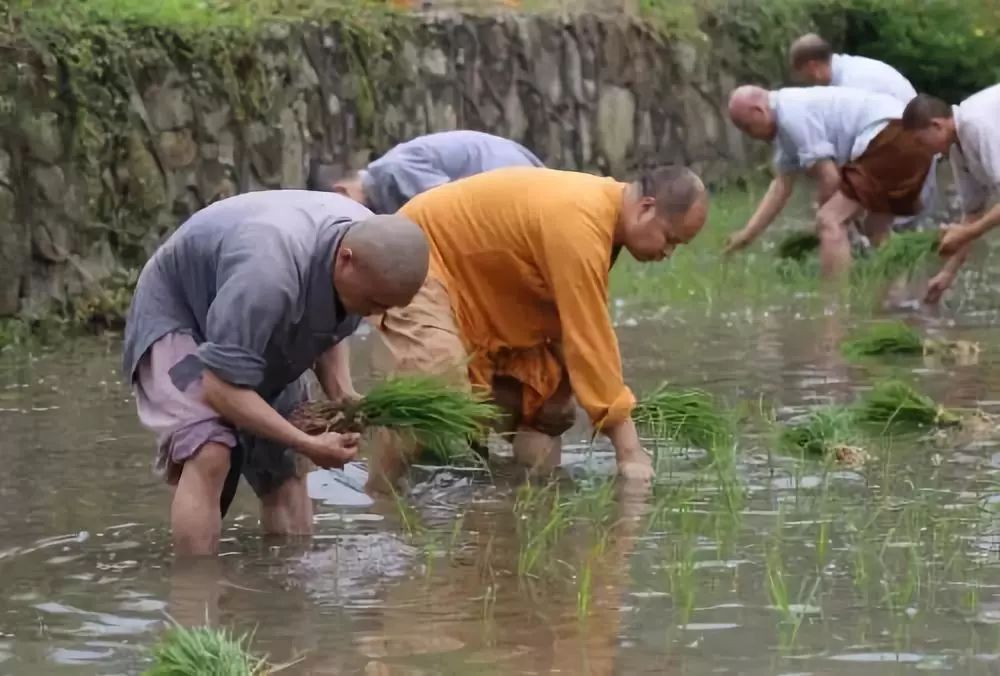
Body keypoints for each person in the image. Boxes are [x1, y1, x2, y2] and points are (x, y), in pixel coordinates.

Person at [121, 190, 429, 556]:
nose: (377, 315)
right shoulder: (268, 273)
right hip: (182, 315)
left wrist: (342, 395)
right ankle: (194, 601)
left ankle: (286, 594)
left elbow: (329, 321)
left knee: (284, 470)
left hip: (255, 314)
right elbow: (220, 388)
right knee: (211, 451)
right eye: (375, 304)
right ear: (346, 260)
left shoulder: (367, 243)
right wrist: (310, 444)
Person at [365, 165, 709, 490]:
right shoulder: (581, 221)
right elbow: (590, 338)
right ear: (646, 208)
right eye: (669, 239)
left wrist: (561, 393)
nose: (668, 253)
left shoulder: (604, 224)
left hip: (482, 293)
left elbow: (566, 326)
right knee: (436, 383)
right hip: (422, 259)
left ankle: (516, 509)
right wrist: (630, 452)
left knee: (544, 409)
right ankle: (382, 498)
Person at [724, 85, 934, 278]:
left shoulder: (791, 114)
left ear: (759, 111)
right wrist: (747, 235)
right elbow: (781, 186)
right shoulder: (788, 122)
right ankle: (896, 300)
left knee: (830, 220)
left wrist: (821, 217)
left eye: (748, 128)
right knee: (876, 231)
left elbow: (830, 178)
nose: (752, 136)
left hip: (891, 136)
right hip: (915, 141)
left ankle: (834, 308)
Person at [788, 33, 936, 230]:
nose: (812, 85)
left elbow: (863, 140)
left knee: (896, 227)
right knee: (879, 225)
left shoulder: (854, 84)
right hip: (901, 146)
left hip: (906, 149)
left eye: (808, 79)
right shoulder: (851, 70)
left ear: (813, 67)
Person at [902, 85, 1000, 303]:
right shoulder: (957, 147)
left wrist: (967, 234)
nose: (922, 149)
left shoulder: (975, 125)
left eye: (920, 141)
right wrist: (948, 273)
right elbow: (972, 212)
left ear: (936, 125)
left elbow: (968, 229)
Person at [315, 130, 544, 214]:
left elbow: (448, 206)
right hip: (506, 173)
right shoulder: (384, 188)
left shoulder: (390, 172)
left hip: (501, 174)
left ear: (342, 189)